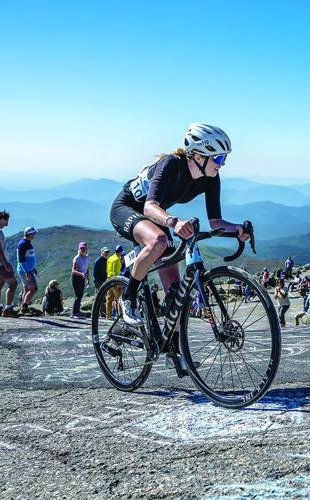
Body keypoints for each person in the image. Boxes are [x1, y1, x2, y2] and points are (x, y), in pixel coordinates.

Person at [107, 122, 251, 375]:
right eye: (218, 157)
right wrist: (174, 222)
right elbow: (149, 207)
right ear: (198, 155)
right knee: (160, 241)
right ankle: (128, 298)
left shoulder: (211, 177)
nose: (223, 163)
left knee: (176, 293)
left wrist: (237, 229)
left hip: (157, 218)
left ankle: (170, 346)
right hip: (128, 209)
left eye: (224, 157)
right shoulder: (171, 164)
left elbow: (216, 222)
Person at [0, 211, 18, 317]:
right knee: (13, 284)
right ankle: (8, 309)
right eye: (5, 219)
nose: (7, 221)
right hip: (0, 263)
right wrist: (5, 264)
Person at [16, 227, 39, 314]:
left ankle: (22, 307)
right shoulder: (23, 244)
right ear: (29, 234)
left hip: (28, 269)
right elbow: (21, 259)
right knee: (34, 288)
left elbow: (28, 257)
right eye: (33, 233)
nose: (34, 235)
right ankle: (25, 307)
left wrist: (33, 268)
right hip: (25, 270)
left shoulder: (26, 243)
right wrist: (27, 271)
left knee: (26, 288)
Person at [71, 242, 91, 319]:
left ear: (86, 249)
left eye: (84, 248)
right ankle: (74, 313)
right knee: (78, 295)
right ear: (79, 249)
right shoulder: (76, 258)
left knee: (80, 295)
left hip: (83, 278)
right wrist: (82, 274)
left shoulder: (87, 257)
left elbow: (87, 268)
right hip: (76, 277)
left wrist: (88, 280)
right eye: (81, 248)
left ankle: (77, 312)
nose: (83, 250)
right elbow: (73, 270)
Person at [105, 245, 124, 319]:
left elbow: (107, 269)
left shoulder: (110, 258)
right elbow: (116, 272)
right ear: (120, 252)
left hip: (108, 280)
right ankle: (121, 316)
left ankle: (108, 316)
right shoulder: (117, 260)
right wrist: (118, 283)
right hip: (115, 281)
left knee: (109, 299)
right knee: (119, 299)